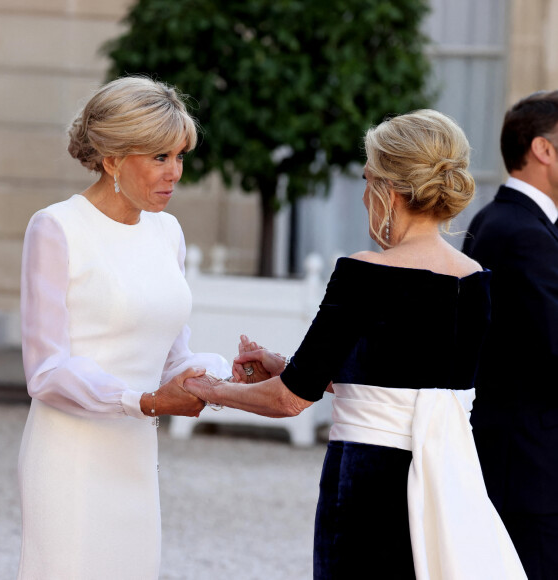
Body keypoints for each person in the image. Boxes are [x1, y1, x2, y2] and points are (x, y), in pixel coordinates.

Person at [185, 110, 527, 579]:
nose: (365, 194)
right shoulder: (476, 278)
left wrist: (210, 389)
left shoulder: (365, 271)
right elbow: (399, 385)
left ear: (388, 191)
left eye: (367, 180)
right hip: (449, 480)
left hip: (370, 483)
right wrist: (283, 364)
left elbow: (289, 400)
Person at [17, 76, 231, 579]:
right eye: (159, 157)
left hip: (134, 451)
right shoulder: (56, 227)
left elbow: (174, 357)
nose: (174, 173)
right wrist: (147, 402)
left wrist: (226, 376)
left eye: (180, 156)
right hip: (70, 455)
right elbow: (46, 371)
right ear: (112, 159)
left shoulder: (168, 232)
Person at [462, 90, 558, 580]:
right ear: (543, 149)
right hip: (530, 472)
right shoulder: (524, 234)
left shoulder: (502, 220)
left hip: (516, 461)